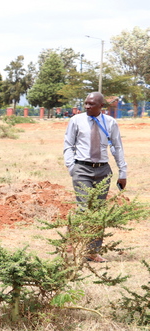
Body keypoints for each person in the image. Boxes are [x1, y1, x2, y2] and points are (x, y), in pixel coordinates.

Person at [62, 92, 127, 263]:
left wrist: (123, 172)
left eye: (91, 104)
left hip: (103, 171)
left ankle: (92, 251)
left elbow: (117, 147)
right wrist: (71, 167)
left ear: (101, 107)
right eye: (86, 103)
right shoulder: (76, 120)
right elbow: (68, 144)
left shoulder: (111, 123)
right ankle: (72, 242)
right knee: (85, 208)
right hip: (82, 169)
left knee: (98, 211)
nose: (87, 107)